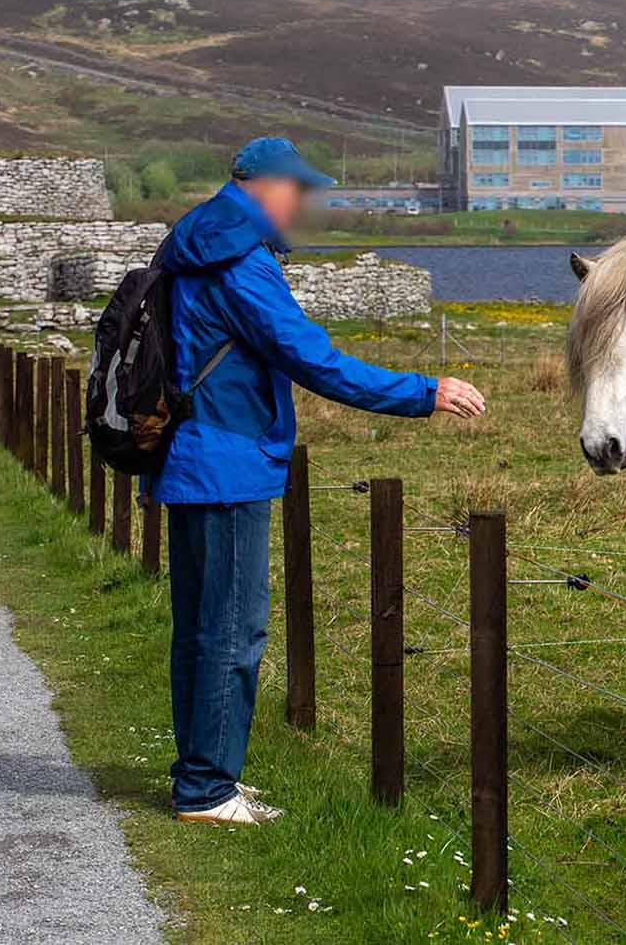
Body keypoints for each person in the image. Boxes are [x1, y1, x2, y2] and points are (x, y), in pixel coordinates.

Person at [149, 138, 485, 826]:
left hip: (185, 455)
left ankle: (202, 776)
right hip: (228, 463)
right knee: (234, 631)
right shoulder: (238, 257)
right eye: (295, 188)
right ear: (262, 184)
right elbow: (312, 357)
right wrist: (424, 392)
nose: (301, 201)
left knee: (199, 628)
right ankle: (207, 790)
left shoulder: (192, 238)